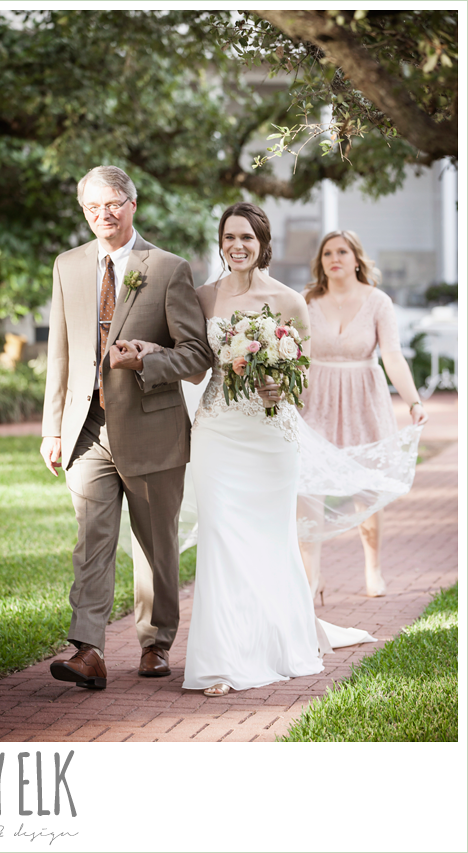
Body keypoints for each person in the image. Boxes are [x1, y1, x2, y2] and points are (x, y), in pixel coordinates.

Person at [154, 202, 374, 697]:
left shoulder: (290, 301)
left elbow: (302, 383)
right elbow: (193, 367)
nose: (238, 246)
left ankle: (277, 642)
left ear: (262, 244)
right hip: (217, 431)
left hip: (272, 438)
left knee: (269, 542)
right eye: (230, 237)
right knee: (222, 541)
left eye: (247, 238)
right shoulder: (202, 297)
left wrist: (280, 387)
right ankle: (222, 661)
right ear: (220, 242)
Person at [40, 165, 212, 690]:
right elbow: (61, 354)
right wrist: (52, 428)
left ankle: (156, 643)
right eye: (92, 207)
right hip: (86, 429)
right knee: (91, 541)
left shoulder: (167, 268)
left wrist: (146, 363)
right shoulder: (68, 266)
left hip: (153, 428)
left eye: (112, 204)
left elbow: (198, 356)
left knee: (155, 545)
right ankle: (88, 650)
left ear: (132, 205)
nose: (103, 215)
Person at [299, 230, 429, 599]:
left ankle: (373, 569)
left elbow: (392, 355)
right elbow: (298, 355)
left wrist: (414, 401)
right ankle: (312, 577)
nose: (334, 258)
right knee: (308, 489)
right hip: (316, 401)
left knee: (366, 490)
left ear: (357, 259)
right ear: (321, 262)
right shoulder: (307, 301)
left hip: (363, 402)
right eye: (327, 253)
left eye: (342, 251)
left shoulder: (378, 302)